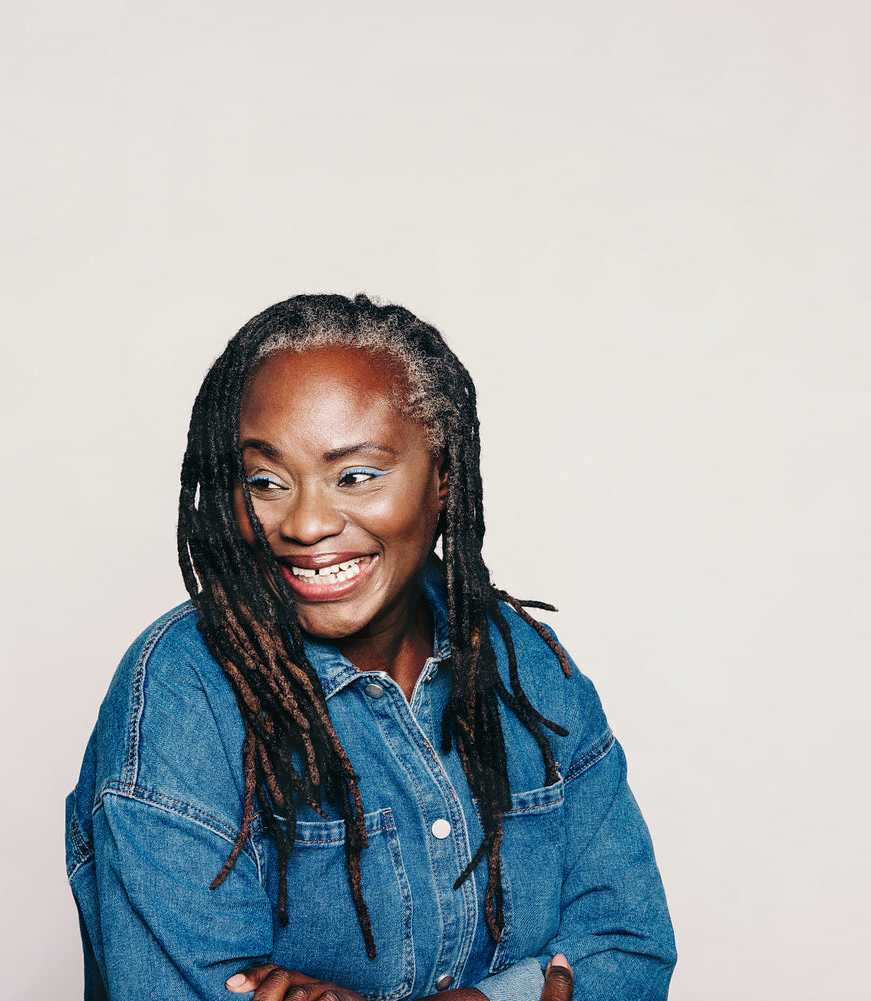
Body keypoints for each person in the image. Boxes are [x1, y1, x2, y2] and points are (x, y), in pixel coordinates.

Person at [66, 294, 676, 1000]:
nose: (306, 523)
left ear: (443, 477)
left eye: (356, 476)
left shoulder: (528, 668)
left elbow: (629, 947)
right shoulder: (181, 695)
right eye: (265, 481)